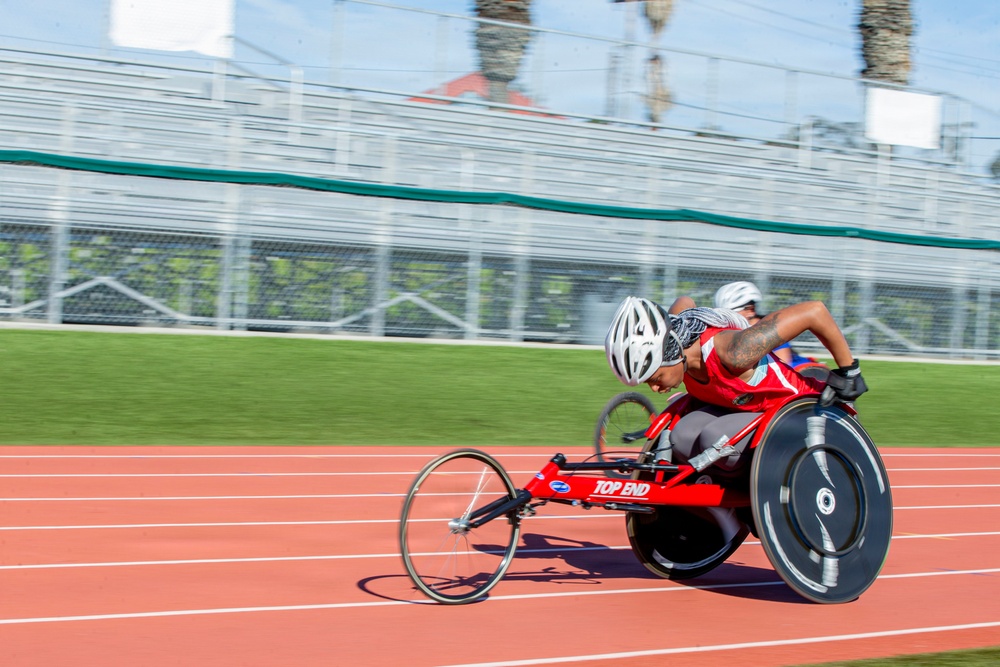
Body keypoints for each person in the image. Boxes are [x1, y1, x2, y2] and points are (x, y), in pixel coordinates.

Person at [604, 295, 866, 476]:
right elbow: (684, 303)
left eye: (654, 377)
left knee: (712, 438)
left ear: (672, 354)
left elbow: (814, 312)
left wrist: (849, 371)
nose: (655, 389)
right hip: (746, 413)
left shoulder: (734, 352)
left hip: (798, 411)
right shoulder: (675, 339)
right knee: (681, 436)